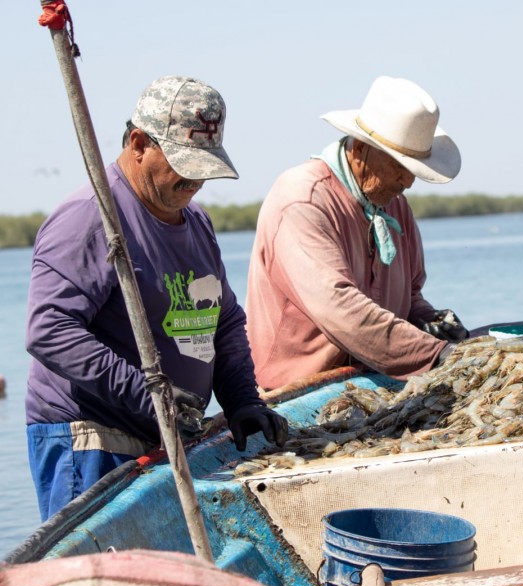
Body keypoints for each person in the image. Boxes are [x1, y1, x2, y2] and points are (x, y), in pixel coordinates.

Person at [25, 75, 288, 521]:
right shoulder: (92, 217)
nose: (196, 179)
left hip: (167, 433)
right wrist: (149, 395)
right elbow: (49, 330)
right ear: (138, 143)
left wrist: (242, 399)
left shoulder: (196, 221)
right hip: (95, 441)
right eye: (184, 162)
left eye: (205, 165)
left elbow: (222, 321)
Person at [245, 75, 467, 390]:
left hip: (373, 380)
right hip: (298, 392)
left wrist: (431, 321)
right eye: (399, 166)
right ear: (361, 149)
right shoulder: (303, 200)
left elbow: (410, 295)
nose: (408, 182)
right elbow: (342, 311)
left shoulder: (394, 204)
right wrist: (439, 354)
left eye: (414, 170)